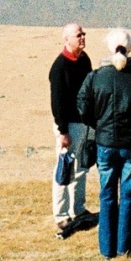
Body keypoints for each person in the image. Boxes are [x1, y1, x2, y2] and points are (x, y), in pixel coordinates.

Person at [77, 28, 131, 259]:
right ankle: (126, 247)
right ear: (129, 48)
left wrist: (98, 124)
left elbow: (82, 105)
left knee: (107, 195)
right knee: (128, 197)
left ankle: (106, 249)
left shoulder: (95, 77)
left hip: (105, 144)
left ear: (110, 48)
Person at [49, 23, 94, 235]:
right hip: (68, 126)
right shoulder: (59, 68)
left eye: (83, 34)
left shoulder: (84, 61)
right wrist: (63, 131)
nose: (82, 38)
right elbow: (57, 103)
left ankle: (79, 209)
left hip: (84, 123)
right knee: (64, 169)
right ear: (67, 39)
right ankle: (61, 215)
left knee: (81, 168)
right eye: (78, 35)